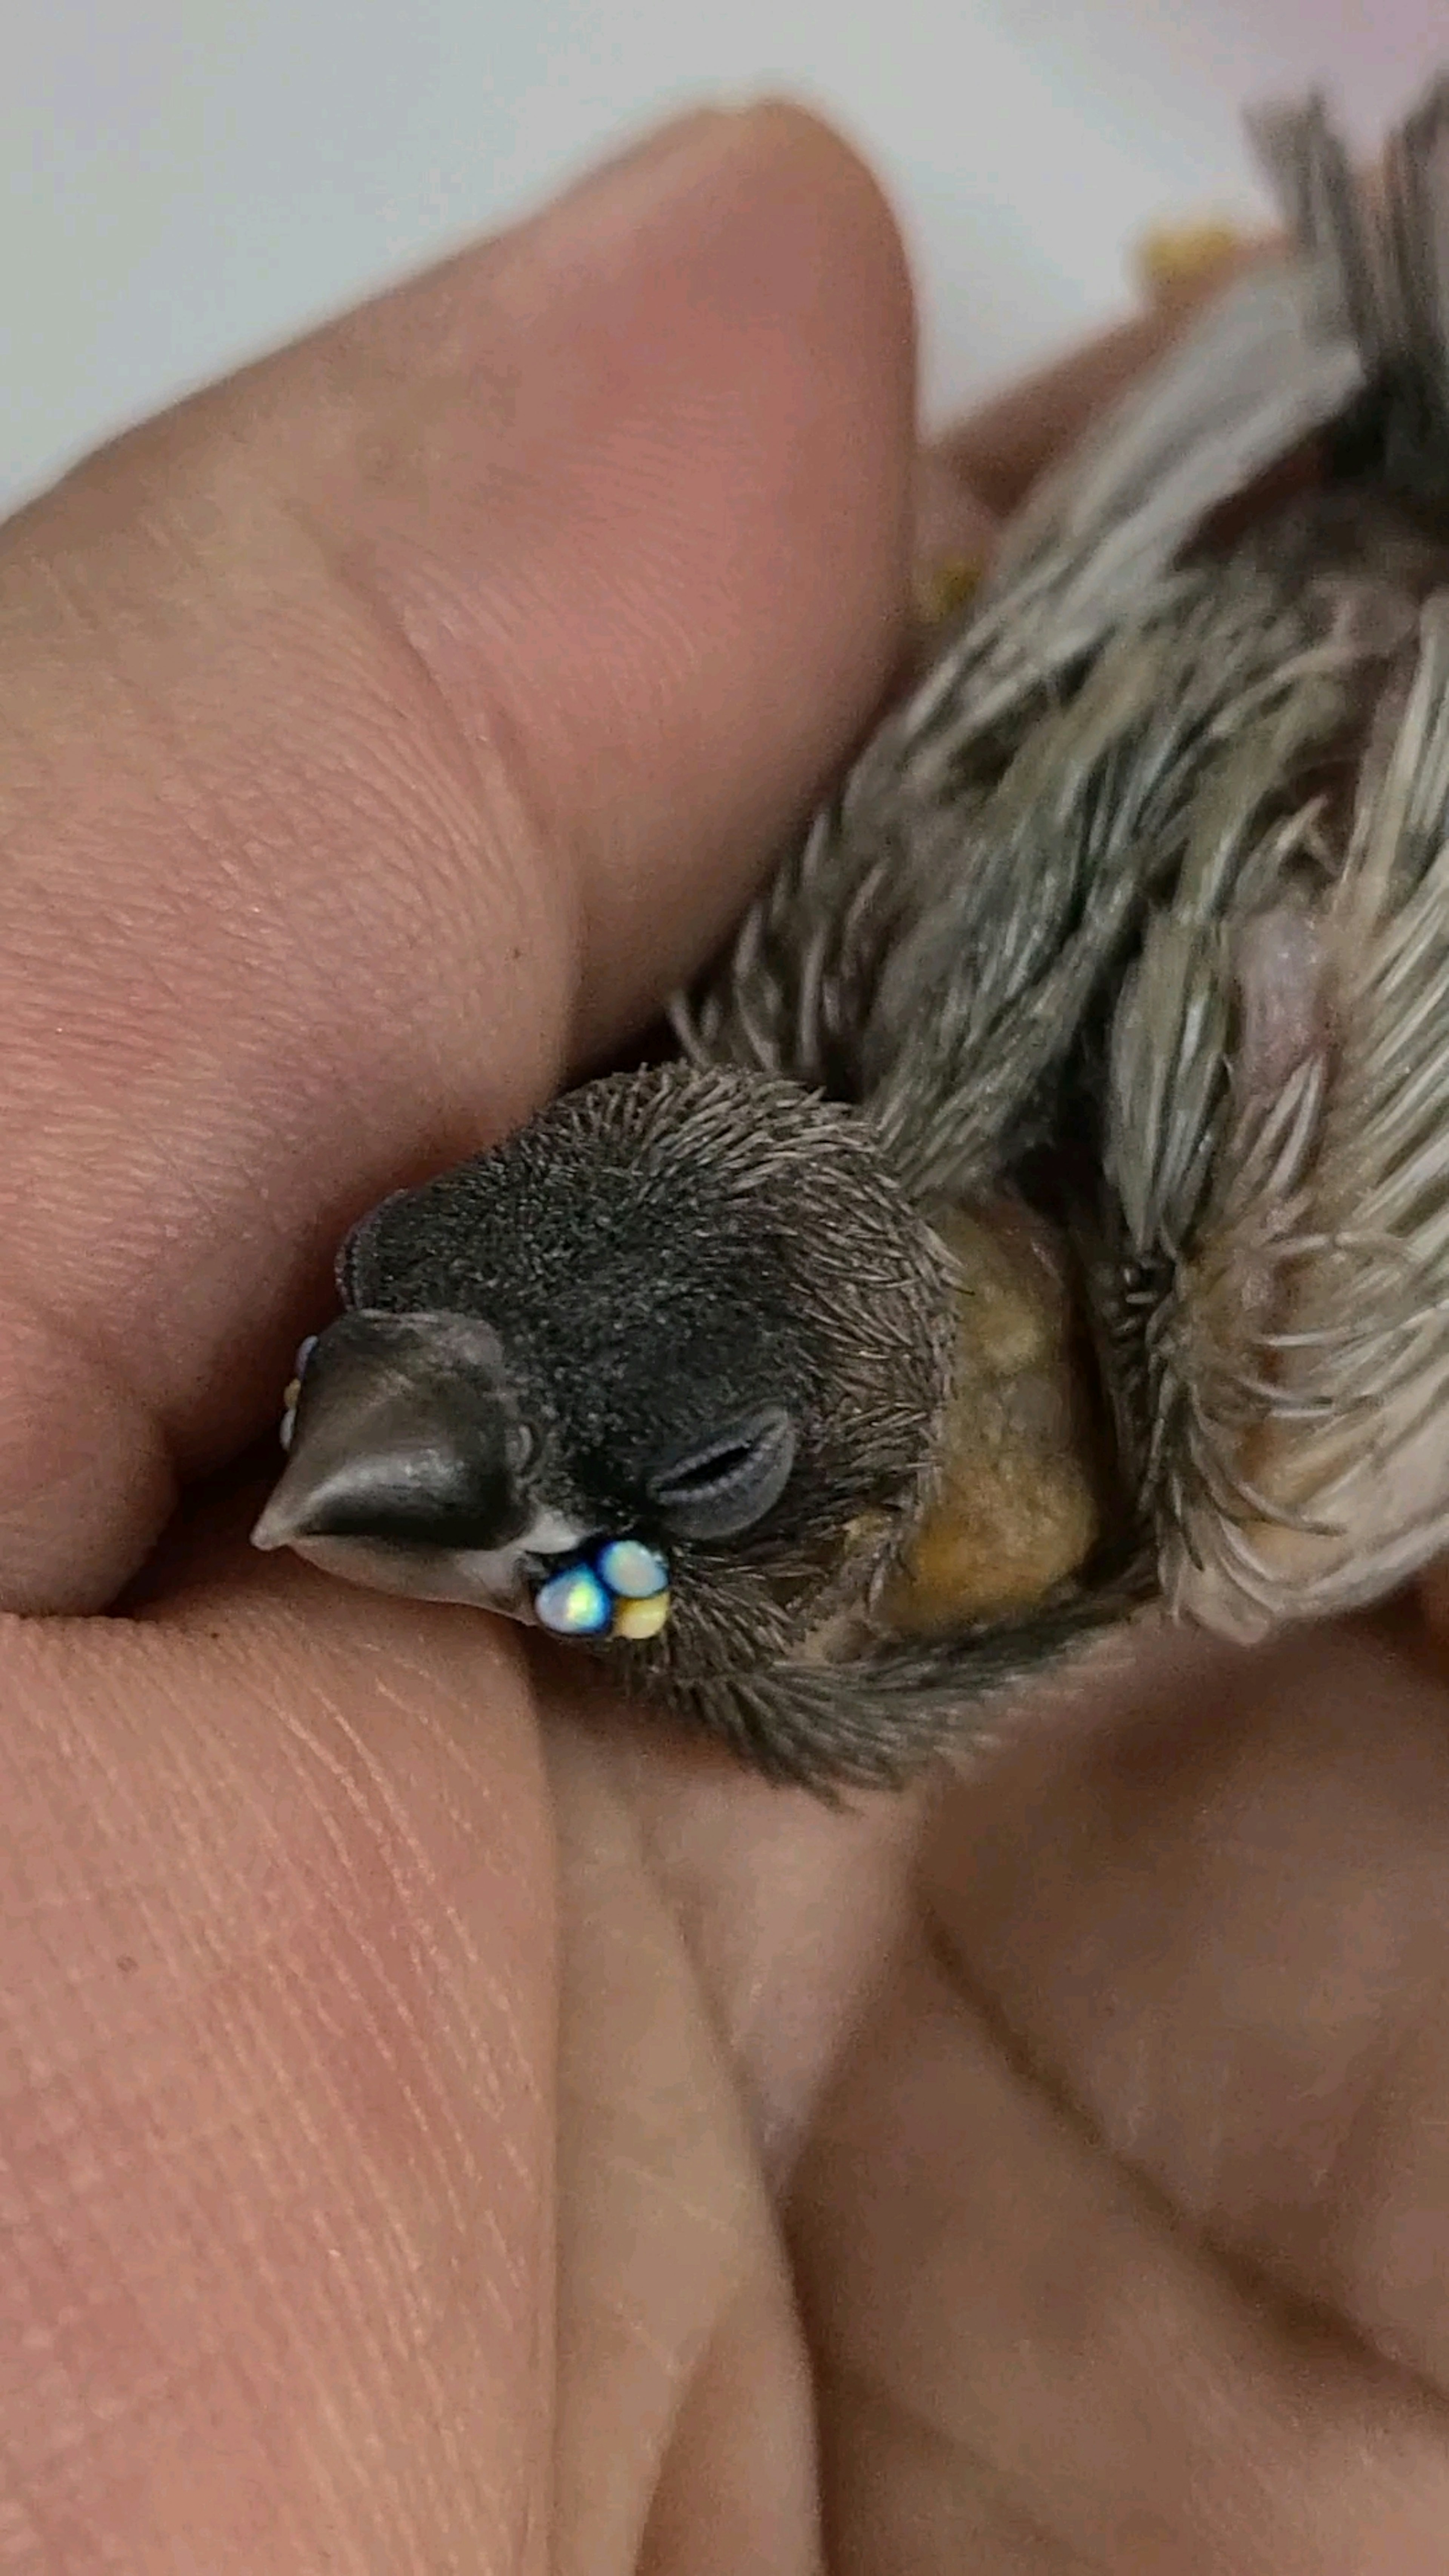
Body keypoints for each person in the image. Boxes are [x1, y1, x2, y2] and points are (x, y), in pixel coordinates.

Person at [2, 104, 1444, 2572]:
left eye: (668, 1496)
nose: (367, 1460)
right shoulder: (831, 1034)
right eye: (395, 1303)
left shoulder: (1249, 1424)